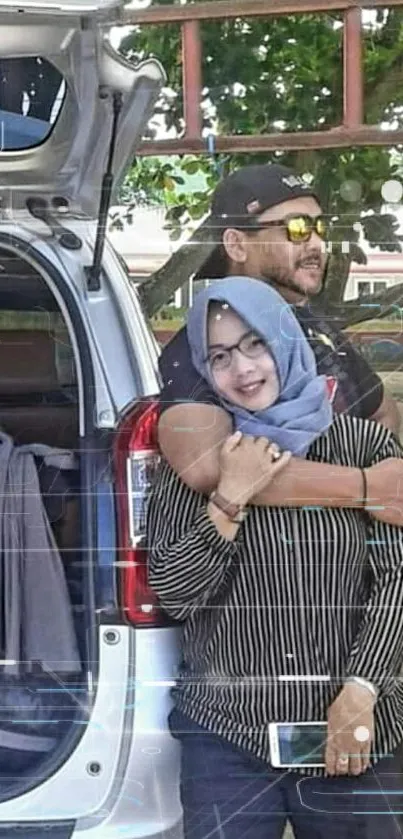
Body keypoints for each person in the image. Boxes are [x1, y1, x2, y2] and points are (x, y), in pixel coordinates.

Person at [147, 276, 403, 839]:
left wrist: (363, 689)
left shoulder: (365, 448)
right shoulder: (198, 464)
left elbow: (396, 581)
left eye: (255, 343)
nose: (242, 370)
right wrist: (230, 497)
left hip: (355, 728)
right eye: (219, 356)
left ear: (285, 339)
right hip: (227, 737)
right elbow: (176, 592)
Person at [158, 163, 403, 526]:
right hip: (268, 568)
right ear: (237, 244)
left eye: (320, 228)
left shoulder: (315, 330)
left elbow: (382, 412)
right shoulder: (205, 344)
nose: (318, 244)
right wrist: (362, 488)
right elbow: (205, 465)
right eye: (297, 228)